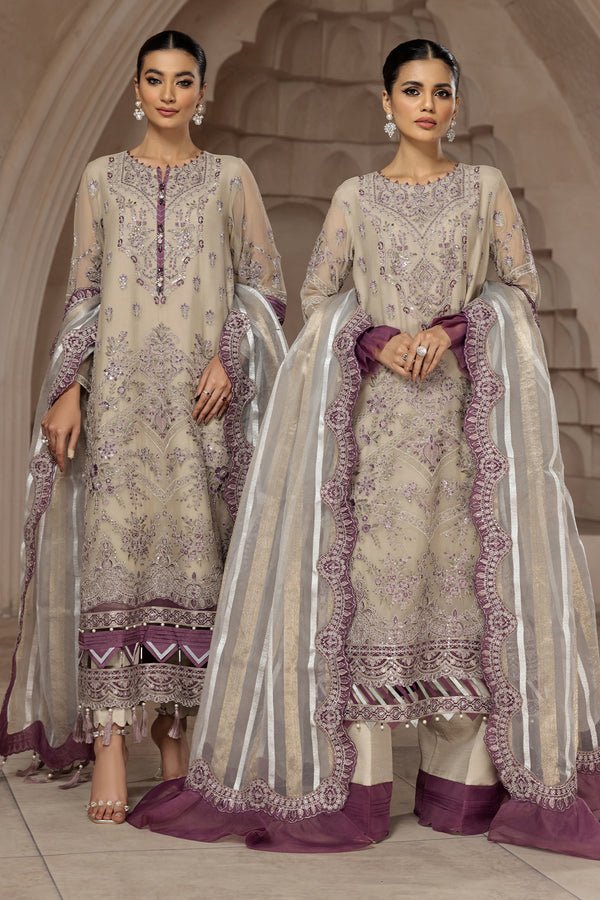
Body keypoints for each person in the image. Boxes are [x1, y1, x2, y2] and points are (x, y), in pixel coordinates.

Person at [129, 39, 600, 858]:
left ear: (457, 104)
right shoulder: (356, 196)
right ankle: (360, 789)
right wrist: (375, 337)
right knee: (372, 600)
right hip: (376, 434)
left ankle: (461, 790)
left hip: (462, 433)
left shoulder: (484, 189)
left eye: (441, 92)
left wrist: (457, 329)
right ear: (387, 103)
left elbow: (520, 292)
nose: (427, 105)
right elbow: (319, 296)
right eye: (412, 91)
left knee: (460, 598)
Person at [0, 29, 286, 824]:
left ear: (203, 91)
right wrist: (70, 389)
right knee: (114, 561)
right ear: (135, 89)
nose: (168, 93)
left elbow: (265, 287)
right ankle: (110, 741)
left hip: (201, 407)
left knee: (196, 564)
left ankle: (174, 729)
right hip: (121, 403)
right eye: (154, 79)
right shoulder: (102, 178)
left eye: (182, 80)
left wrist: (229, 357)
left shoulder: (231, 177)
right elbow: (84, 293)